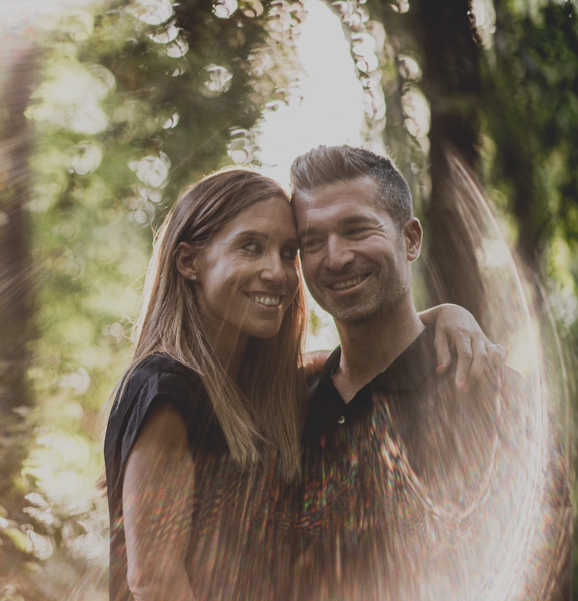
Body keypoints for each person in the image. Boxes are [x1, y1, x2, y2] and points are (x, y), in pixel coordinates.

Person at [103, 166, 501, 601]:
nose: (276, 272)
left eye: (288, 252)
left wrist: (443, 315)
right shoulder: (164, 389)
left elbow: (363, 361)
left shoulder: (256, 391)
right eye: (250, 247)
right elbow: (153, 581)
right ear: (188, 261)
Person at [288, 145, 571, 600]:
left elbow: (543, 576)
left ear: (410, 239)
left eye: (356, 229)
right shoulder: (290, 408)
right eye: (312, 242)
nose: (335, 257)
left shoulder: (495, 399)